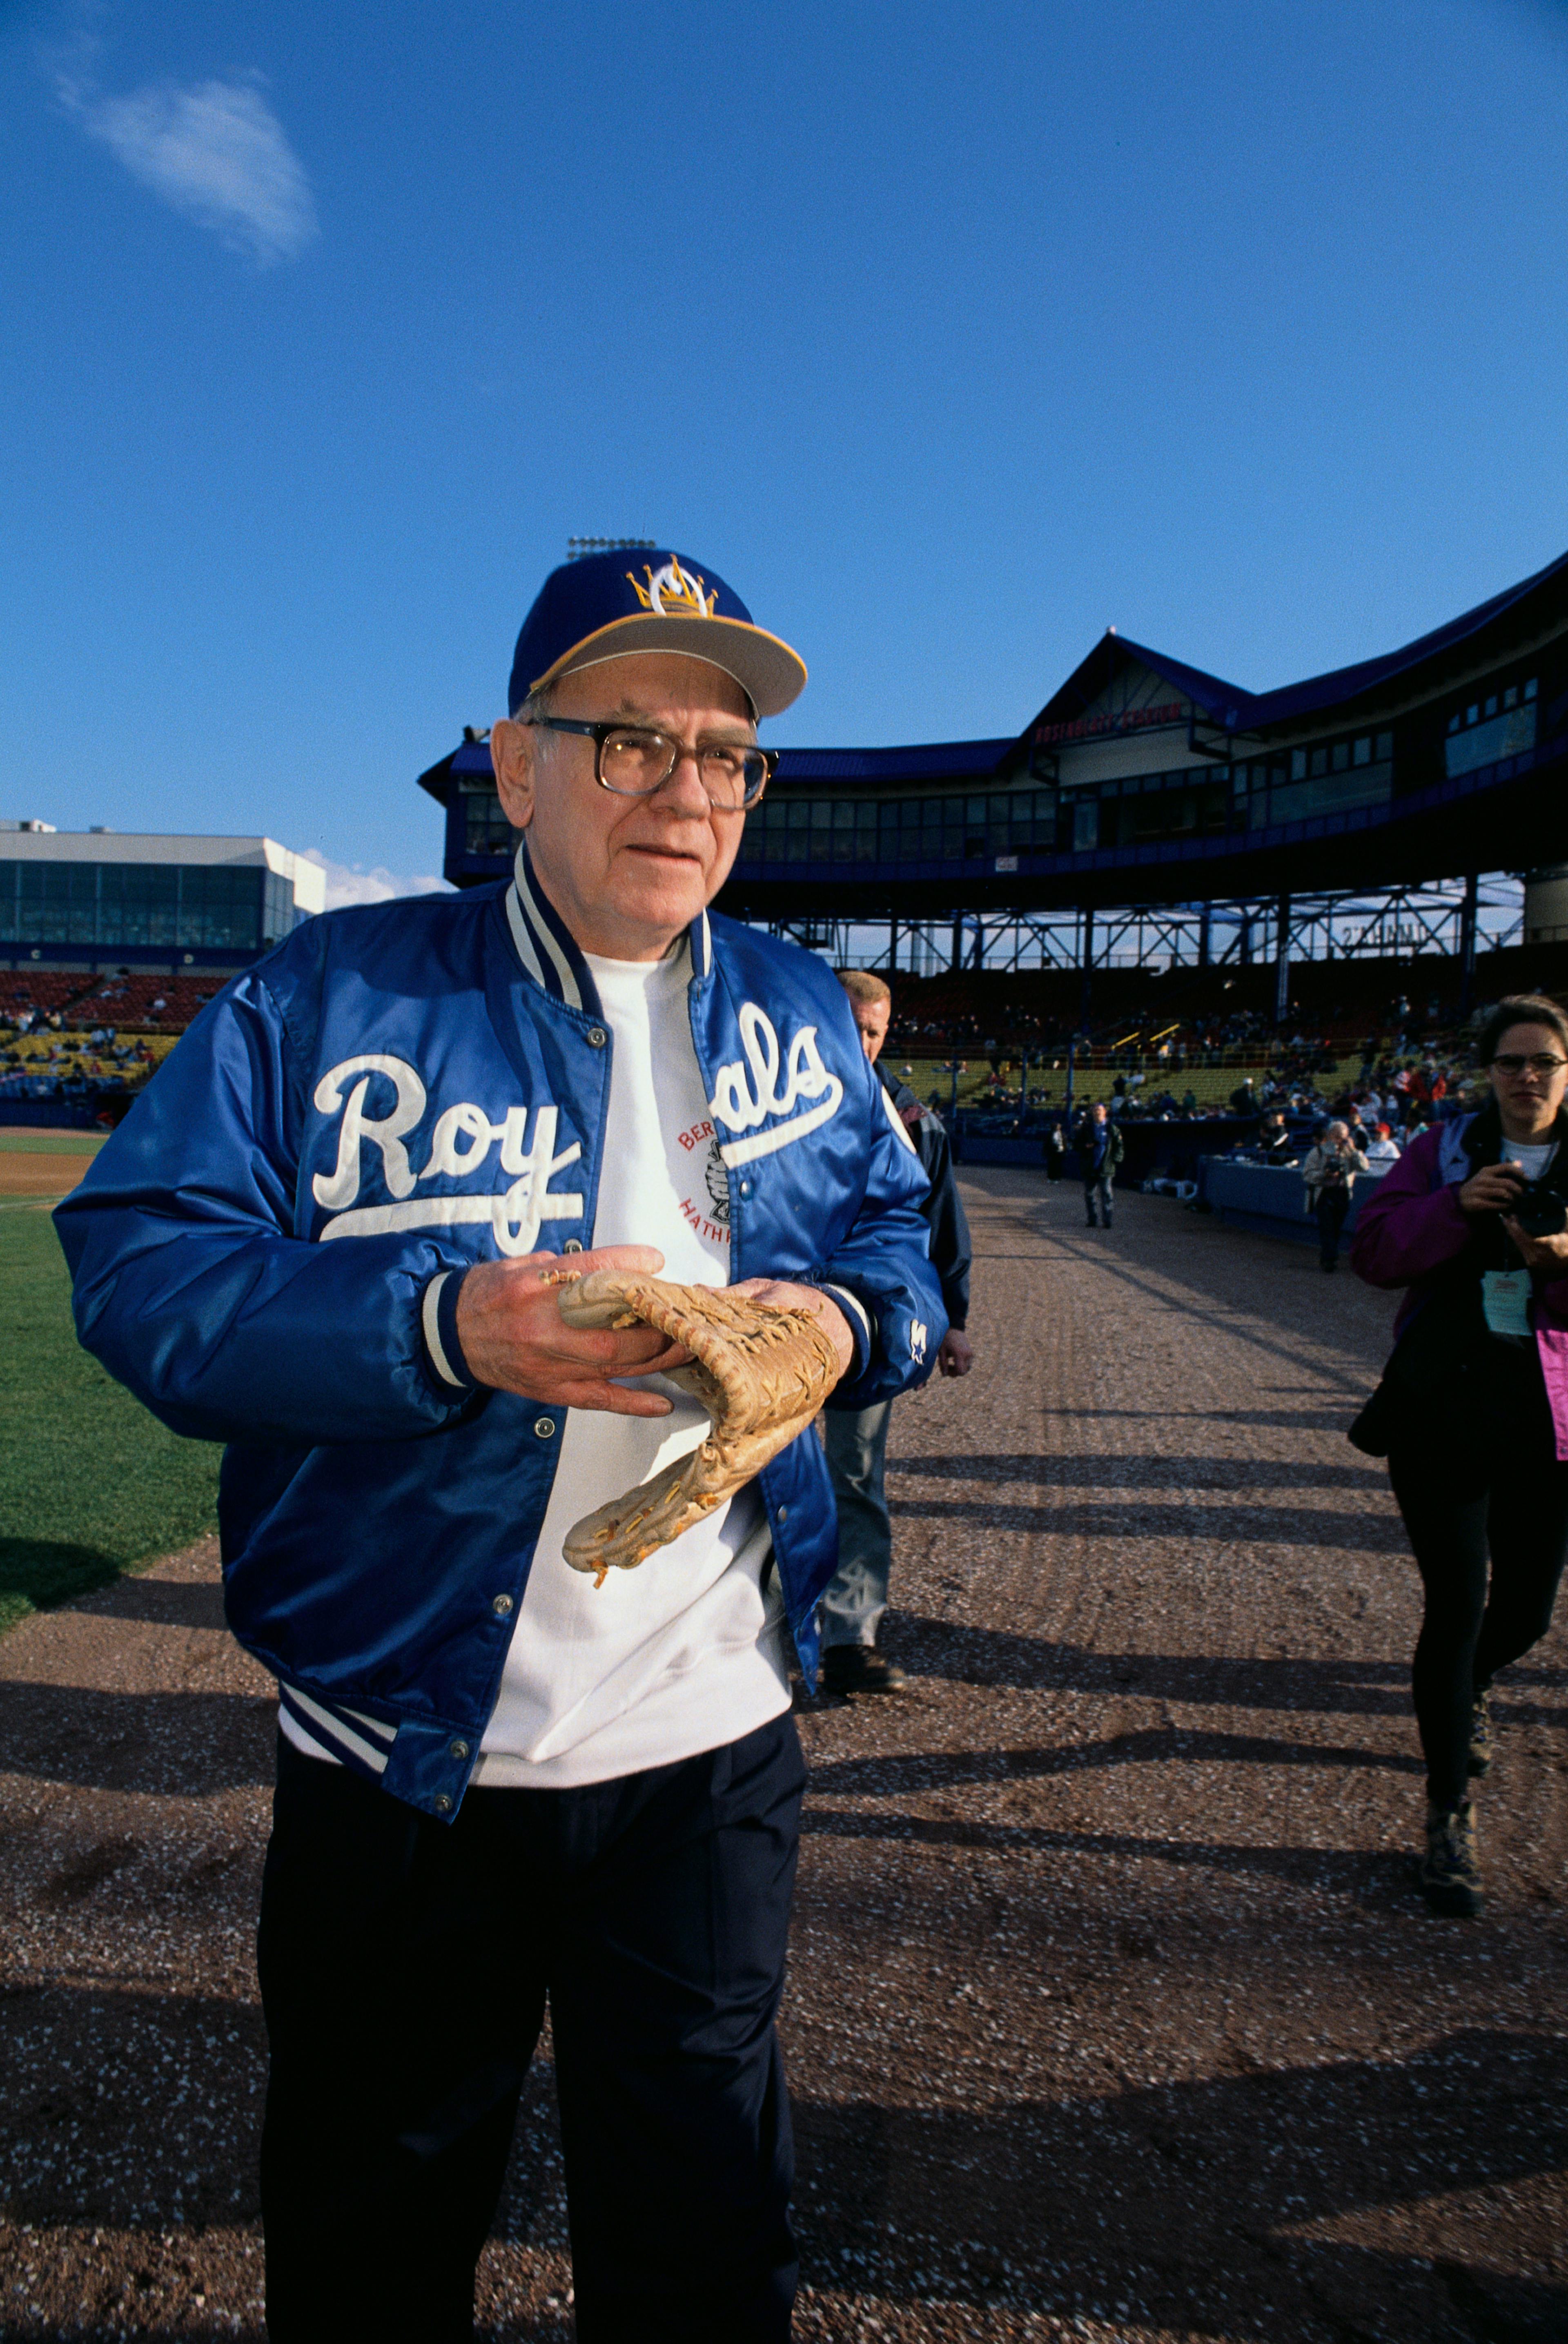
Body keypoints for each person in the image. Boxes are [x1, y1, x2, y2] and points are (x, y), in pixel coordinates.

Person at [55, 546, 944, 2343]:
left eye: (725, 753)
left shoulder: (787, 1004)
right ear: (513, 761)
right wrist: (445, 1326)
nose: (687, 793)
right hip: (399, 1758)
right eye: (627, 741)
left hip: (707, 1744)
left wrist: (841, 1334)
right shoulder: (325, 998)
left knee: (705, 2234)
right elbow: (142, 1265)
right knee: (373, 2228)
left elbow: (895, 1242)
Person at [1351, 995, 1568, 1917]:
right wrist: (1452, 1207)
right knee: (1452, 1603)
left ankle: (1473, 1681)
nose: (1526, 1077)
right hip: (1443, 1408)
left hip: (1547, 1421)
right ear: (1485, 1070)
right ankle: (1446, 1814)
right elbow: (1373, 1250)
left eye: (1544, 1063)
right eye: (1510, 1061)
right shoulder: (1439, 1149)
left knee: (1524, 1606)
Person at [817, 971, 973, 1694]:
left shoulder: (914, 1121)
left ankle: (851, 1634)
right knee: (753, 1470)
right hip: (772, 1316)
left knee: (854, 1473)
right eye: (851, 1025)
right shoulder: (767, 1104)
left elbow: (939, 1224)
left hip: (871, 1324)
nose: (863, 1042)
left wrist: (956, 1319)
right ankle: (748, 1628)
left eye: (874, 1031)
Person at [1302, 1118, 1369, 1270]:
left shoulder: (1350, 1153)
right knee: (1327, 1227)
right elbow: (1307, 1175)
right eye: (1338, 1136)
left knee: (1336, 1228)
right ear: (1331, 1135)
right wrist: (1324, 1174)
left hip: (1343, 1193)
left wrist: (1354, 1150)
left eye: (1343, 1137)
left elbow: (1364, 1167)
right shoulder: (1319, 1151)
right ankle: (1329, 1260)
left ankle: (1328, 1255)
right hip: (1324, 1192)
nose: (1341, 1140)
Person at [1081, 1099, 1123, 1227]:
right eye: (1095, 1110)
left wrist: (1116, 1159)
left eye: (1099, 1110)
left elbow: (1119, 1145)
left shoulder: (1112, 1128)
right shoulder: (1087, 1128)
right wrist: (1085, 1147)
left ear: (1105, 1113)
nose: (1097, 1113)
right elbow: (1078, 1144)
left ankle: (1107, 1220)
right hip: (1091, 1167)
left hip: (1106, 1167)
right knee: (1090, 1195)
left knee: (1107, 1194)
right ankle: (1092, 1219)